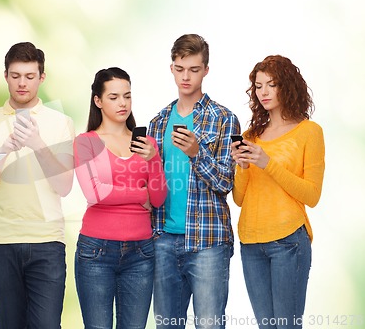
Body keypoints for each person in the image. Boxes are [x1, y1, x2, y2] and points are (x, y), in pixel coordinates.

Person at [0, 42, 75, 329]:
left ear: (42, 77)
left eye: (29, 76)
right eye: (15, 76)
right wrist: (4, 150)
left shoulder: (61, 122)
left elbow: (65, 186)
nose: (22, 83)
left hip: (47, 241)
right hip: (2, 240)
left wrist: (38, 145)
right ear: (5, 76)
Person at [148, 34, 240, 329]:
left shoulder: (224, 119)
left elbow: (226, 181)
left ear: (206, 70)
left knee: (210, 325)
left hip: (208, 242)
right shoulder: (158, 121)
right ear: (171, 68)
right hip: (162, 238)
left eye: (194, 69)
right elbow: (150, 182)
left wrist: (197, 153)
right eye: (179, 68)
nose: (185, 76)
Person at [231, 55, 325, 329]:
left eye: (271, 84)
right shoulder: (250, 136)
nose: (264, 92)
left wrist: (267, 164)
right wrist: (243, 167)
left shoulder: (309, 132)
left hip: (288, 243)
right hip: (250, 243)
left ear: (287, 86)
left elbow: (312, 195)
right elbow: (239, 199)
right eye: (259, 86)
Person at [74, 67, 167, 329]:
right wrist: (140, 194)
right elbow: (95, 193)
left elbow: (158, 199)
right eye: (114, 97)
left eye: (127, 96)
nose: (122, 103)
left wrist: (154, 159)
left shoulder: (147, 144)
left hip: (141, 252)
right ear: (98, 101)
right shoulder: (86, 142)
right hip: (96, 252)